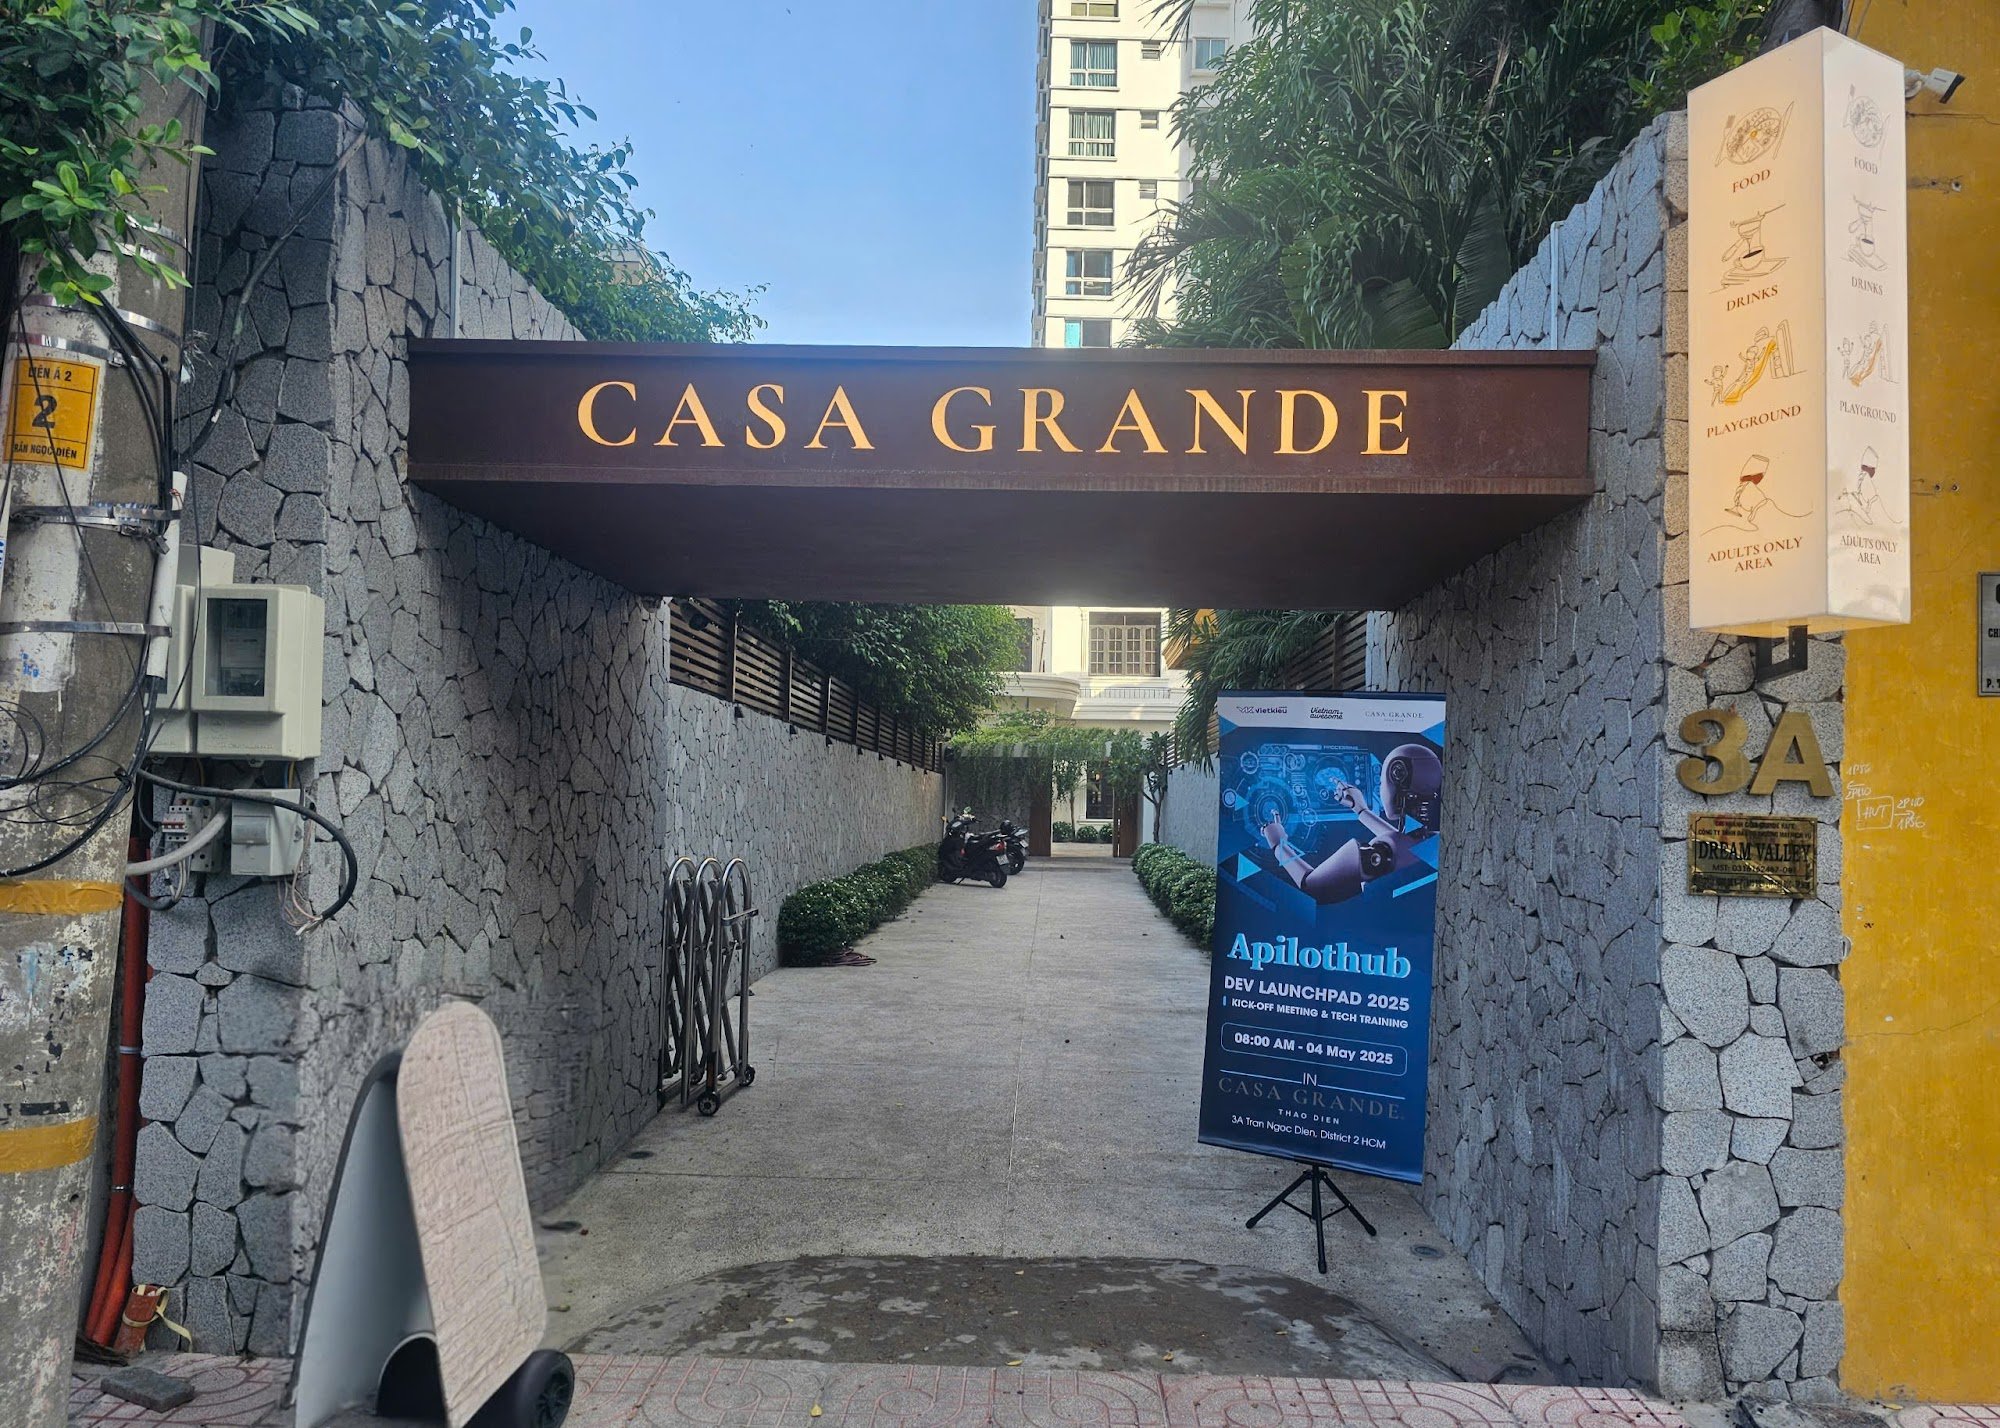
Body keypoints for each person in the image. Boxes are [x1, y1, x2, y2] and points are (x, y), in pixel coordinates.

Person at [1260, 743, 1441, 905]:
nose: (1379, 785)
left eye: (1380, 781)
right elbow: (1403, 843)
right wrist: (1361, 810)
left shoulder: (1384, 853)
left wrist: (1278, 844)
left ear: (1397, 777)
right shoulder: (1433, 843)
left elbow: (1312, 887)